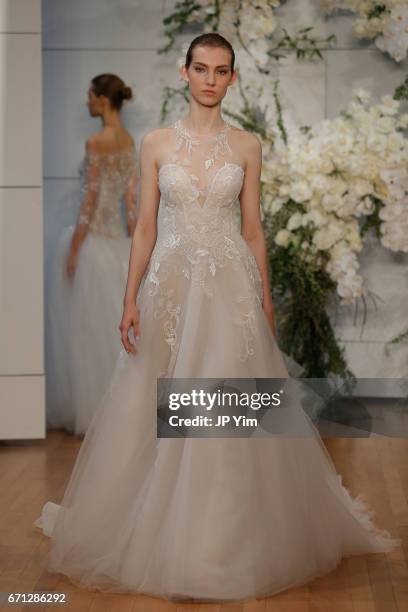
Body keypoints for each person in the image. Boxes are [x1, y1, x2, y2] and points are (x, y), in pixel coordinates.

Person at [35, 34, 400, 602]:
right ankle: (157, 526)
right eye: (200, 68)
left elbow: (252, 229)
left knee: (232, 410)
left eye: (221, 70)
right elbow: (145, 228)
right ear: (184, 73)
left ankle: (226, 538)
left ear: (233, 79)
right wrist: (129, 297)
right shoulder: (155, 143)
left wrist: (266, 297)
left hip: (231, 287)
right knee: (156, 404)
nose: (210, 79)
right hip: (171, 288)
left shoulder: (248, 146)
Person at [46, 73, 138, 435]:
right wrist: (135, 245)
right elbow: (131, 202)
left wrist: (75, 246)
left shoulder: (97, 141)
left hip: (96, 243)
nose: (86, 101)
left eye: (89, 95)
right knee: (111, 334)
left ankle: (97, 413)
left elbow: (91, 198)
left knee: (88, 335)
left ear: (102, 100)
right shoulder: (129, 141)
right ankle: (120, 410)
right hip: (119, 246)